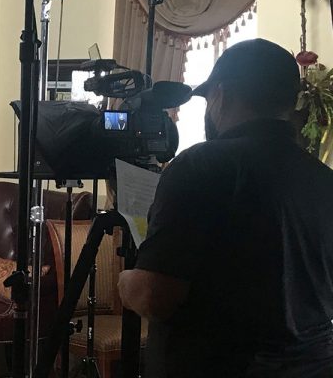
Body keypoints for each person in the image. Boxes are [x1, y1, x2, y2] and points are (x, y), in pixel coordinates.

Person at [118, 39, 333, 378]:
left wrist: (125, 283)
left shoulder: (201, 165)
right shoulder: (323, 178)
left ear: (222, 94)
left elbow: (154, 296)